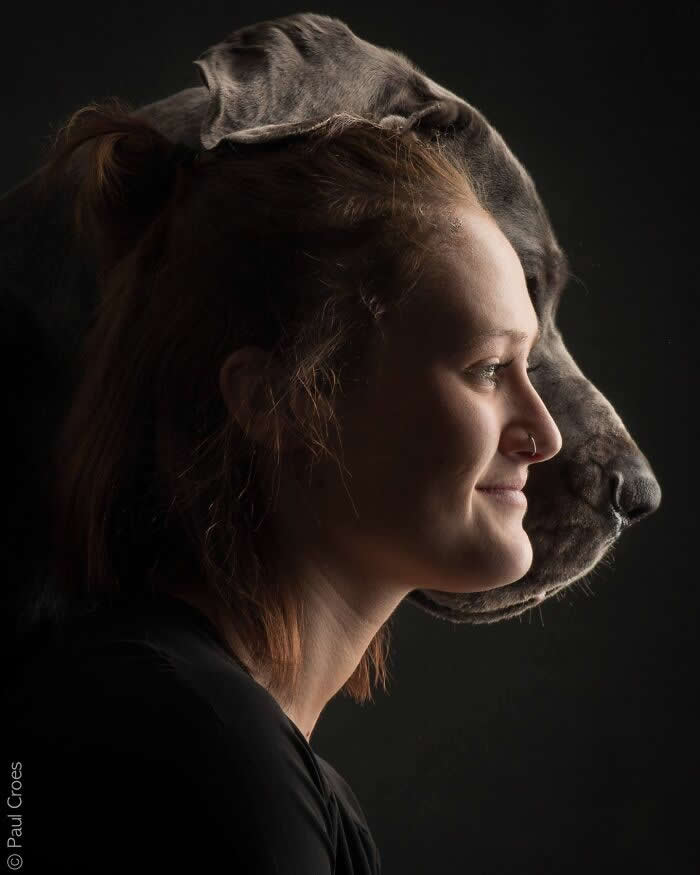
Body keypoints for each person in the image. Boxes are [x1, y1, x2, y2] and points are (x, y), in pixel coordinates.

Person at [7, 97, 561, 873]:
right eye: (489, 368)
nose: (545, 434)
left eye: (526, 366)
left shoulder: (234, 745)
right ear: (281, 400)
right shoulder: (204, 753)